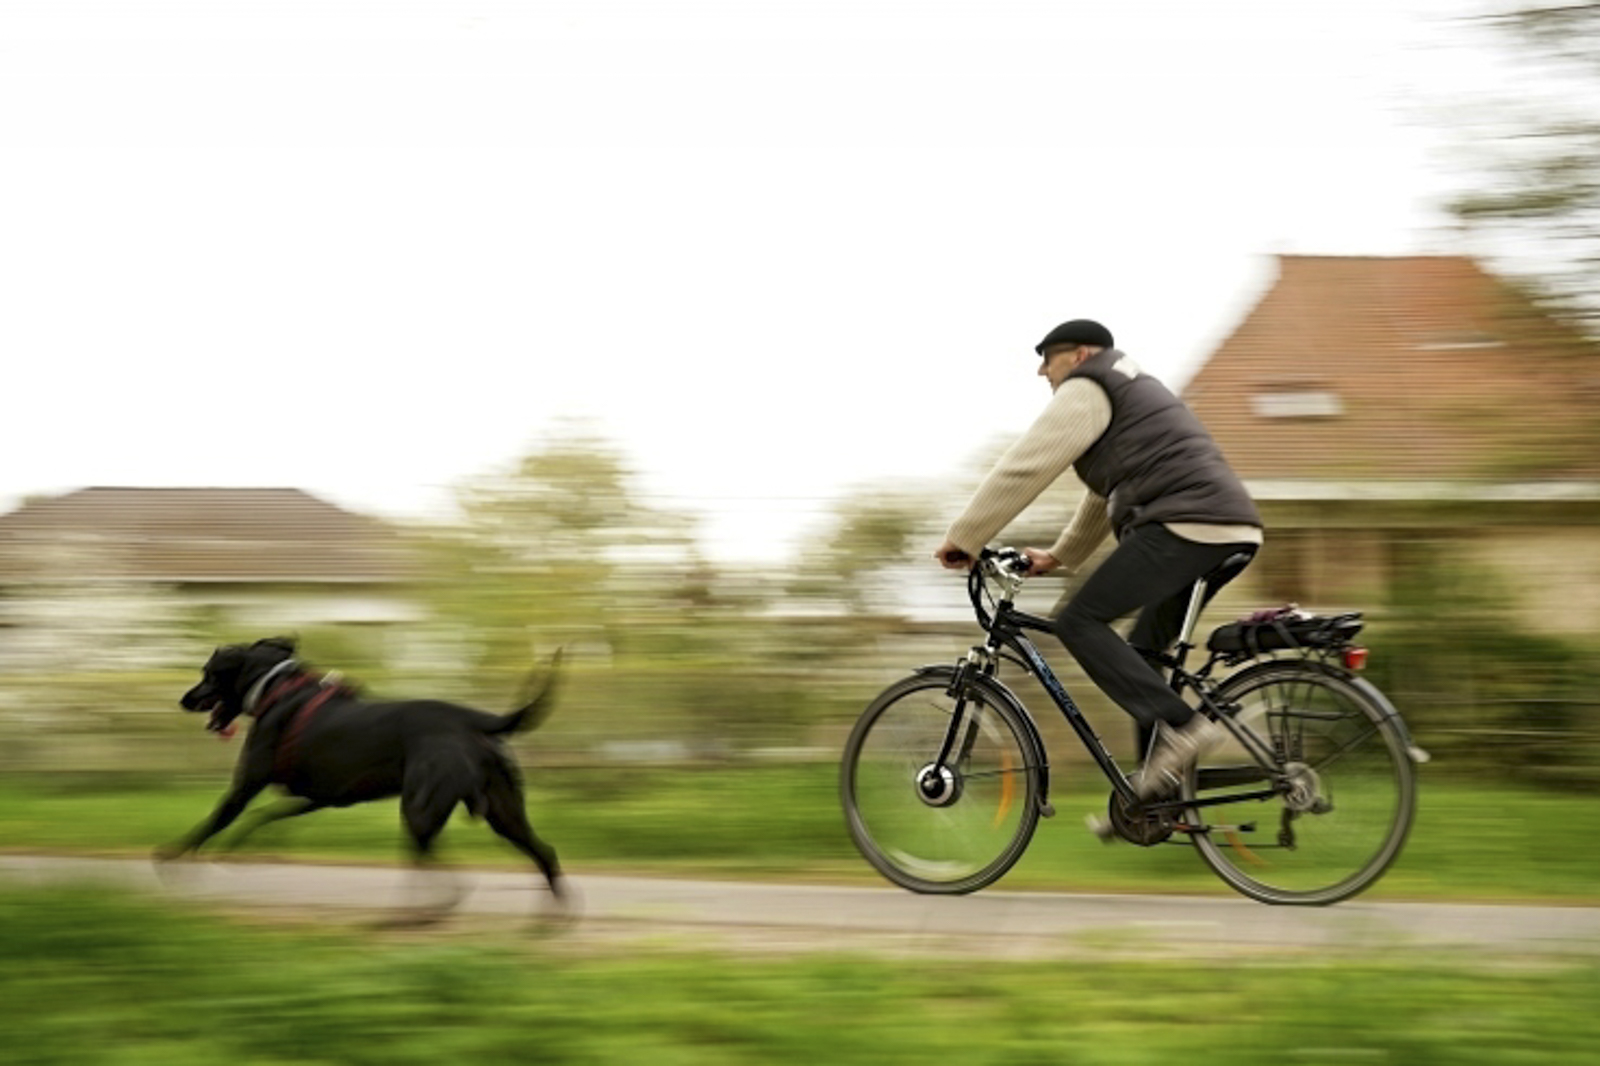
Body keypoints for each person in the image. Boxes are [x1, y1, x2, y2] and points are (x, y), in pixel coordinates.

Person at [933, 319, 1263, 811]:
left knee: (1079, 621)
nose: (1042, 371)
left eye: (1049, 358)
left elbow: (1028, 464)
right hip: (1223, 527)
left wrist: (966, 536)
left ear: (1081, 354)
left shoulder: (1088, 385)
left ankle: (1184, 727)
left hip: (1185, 523)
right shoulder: (1128, 390)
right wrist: (1061, 555)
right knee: (1143, 651)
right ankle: (1157, 800)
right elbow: (1105, 493)